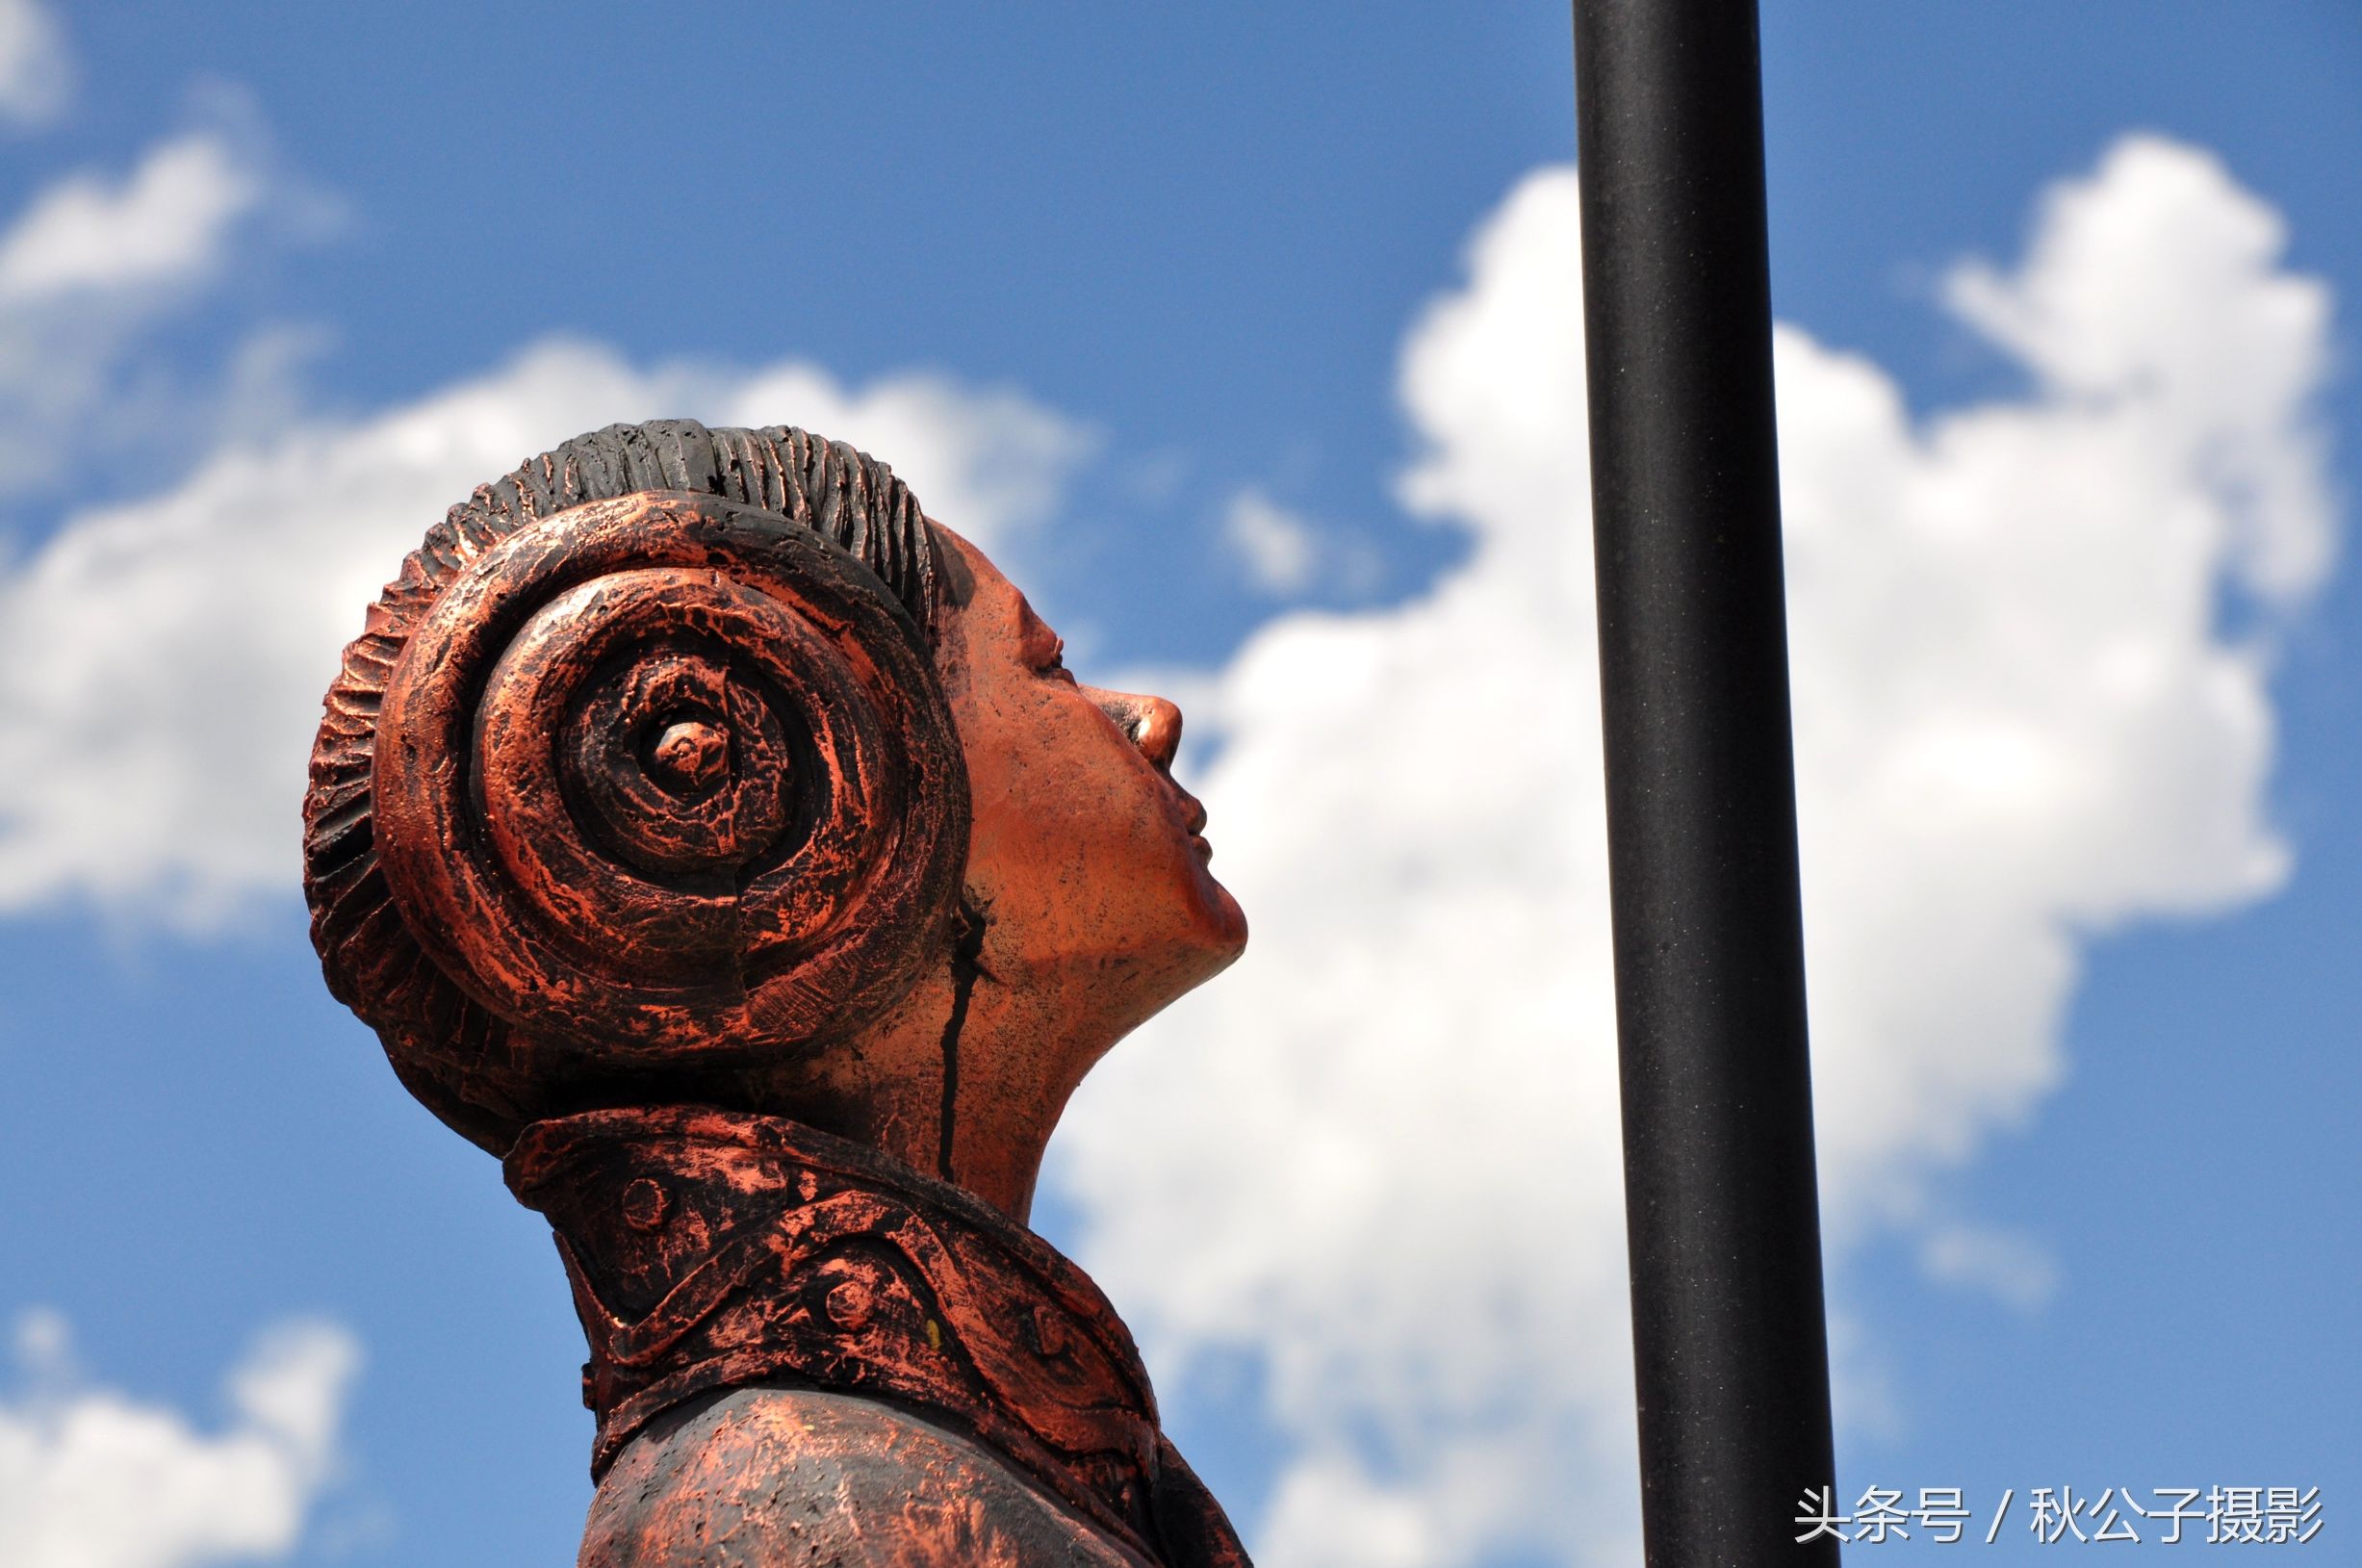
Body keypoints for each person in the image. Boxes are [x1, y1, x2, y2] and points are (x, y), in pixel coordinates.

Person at [303, 420, 1253, 1566]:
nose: (1148, 717)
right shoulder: (816, 1508)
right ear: (855, 771)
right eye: (1044, 667)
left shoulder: (958, 1470)